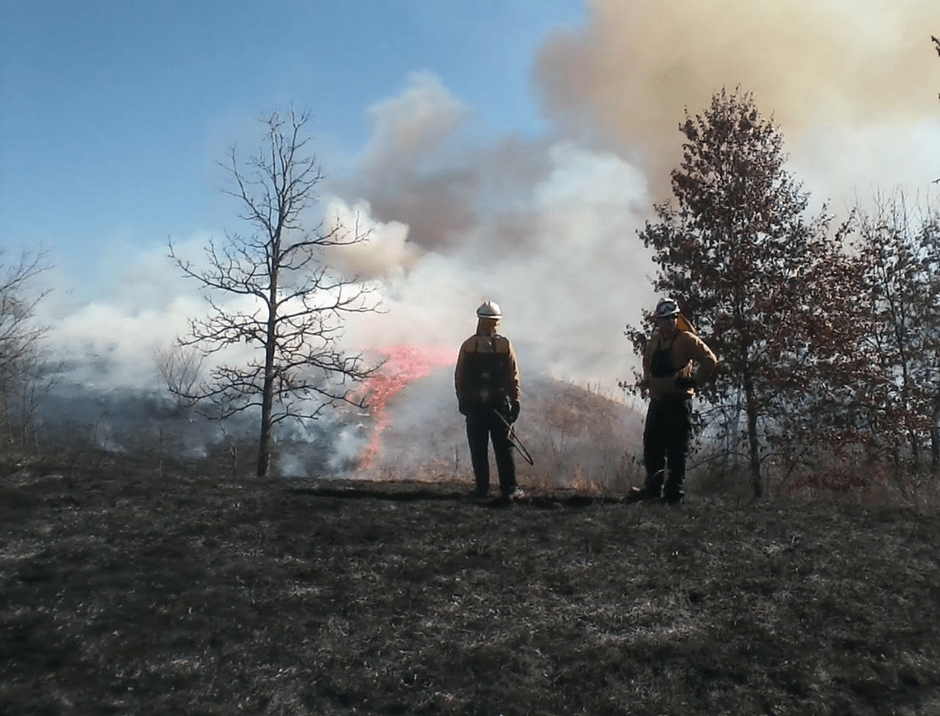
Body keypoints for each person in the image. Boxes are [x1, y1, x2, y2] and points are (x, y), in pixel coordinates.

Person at [629, 297, 718, 505]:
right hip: (658, 401)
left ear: (676, 318)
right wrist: (648, 381)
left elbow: (709, 360)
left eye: (670, 318)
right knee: (652, 445)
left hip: (678, 402)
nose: (666, 323)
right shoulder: (655, 341)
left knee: (677, 448)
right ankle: (652, 489)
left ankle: (673, 493)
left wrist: (695, 380)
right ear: (658, 320)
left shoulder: (686, 339)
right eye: (662, 319)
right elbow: (647, 361)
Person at [454, 300, 522, 500]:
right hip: (499, 406)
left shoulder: (468, 345)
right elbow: (513, 376)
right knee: (504, 449)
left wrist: (463, 400)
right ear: (497, 322)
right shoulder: (505, 345)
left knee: (478, 448)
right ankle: (509, 490)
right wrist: (515, 401)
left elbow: (460, 377)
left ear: (479, 320)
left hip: (475, 407)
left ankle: (482, 489)